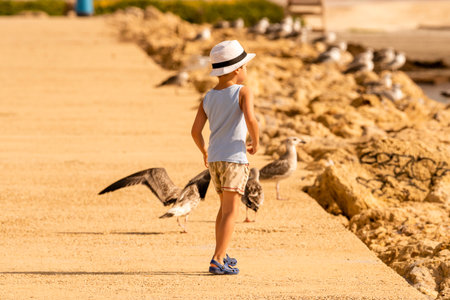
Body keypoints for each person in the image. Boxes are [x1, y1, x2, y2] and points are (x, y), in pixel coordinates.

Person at [191, 40, 259, 275]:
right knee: (232, 211)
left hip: (215, 159)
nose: (247, 71)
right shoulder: (243, 91)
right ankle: (218, 258)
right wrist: (256, 142)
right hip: (234, 158)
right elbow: (251, 120)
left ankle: (220, 253)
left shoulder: (208, 97)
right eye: (246, 66)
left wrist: (204, 151)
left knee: (223, 209)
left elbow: (195, 131)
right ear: (237, 69)